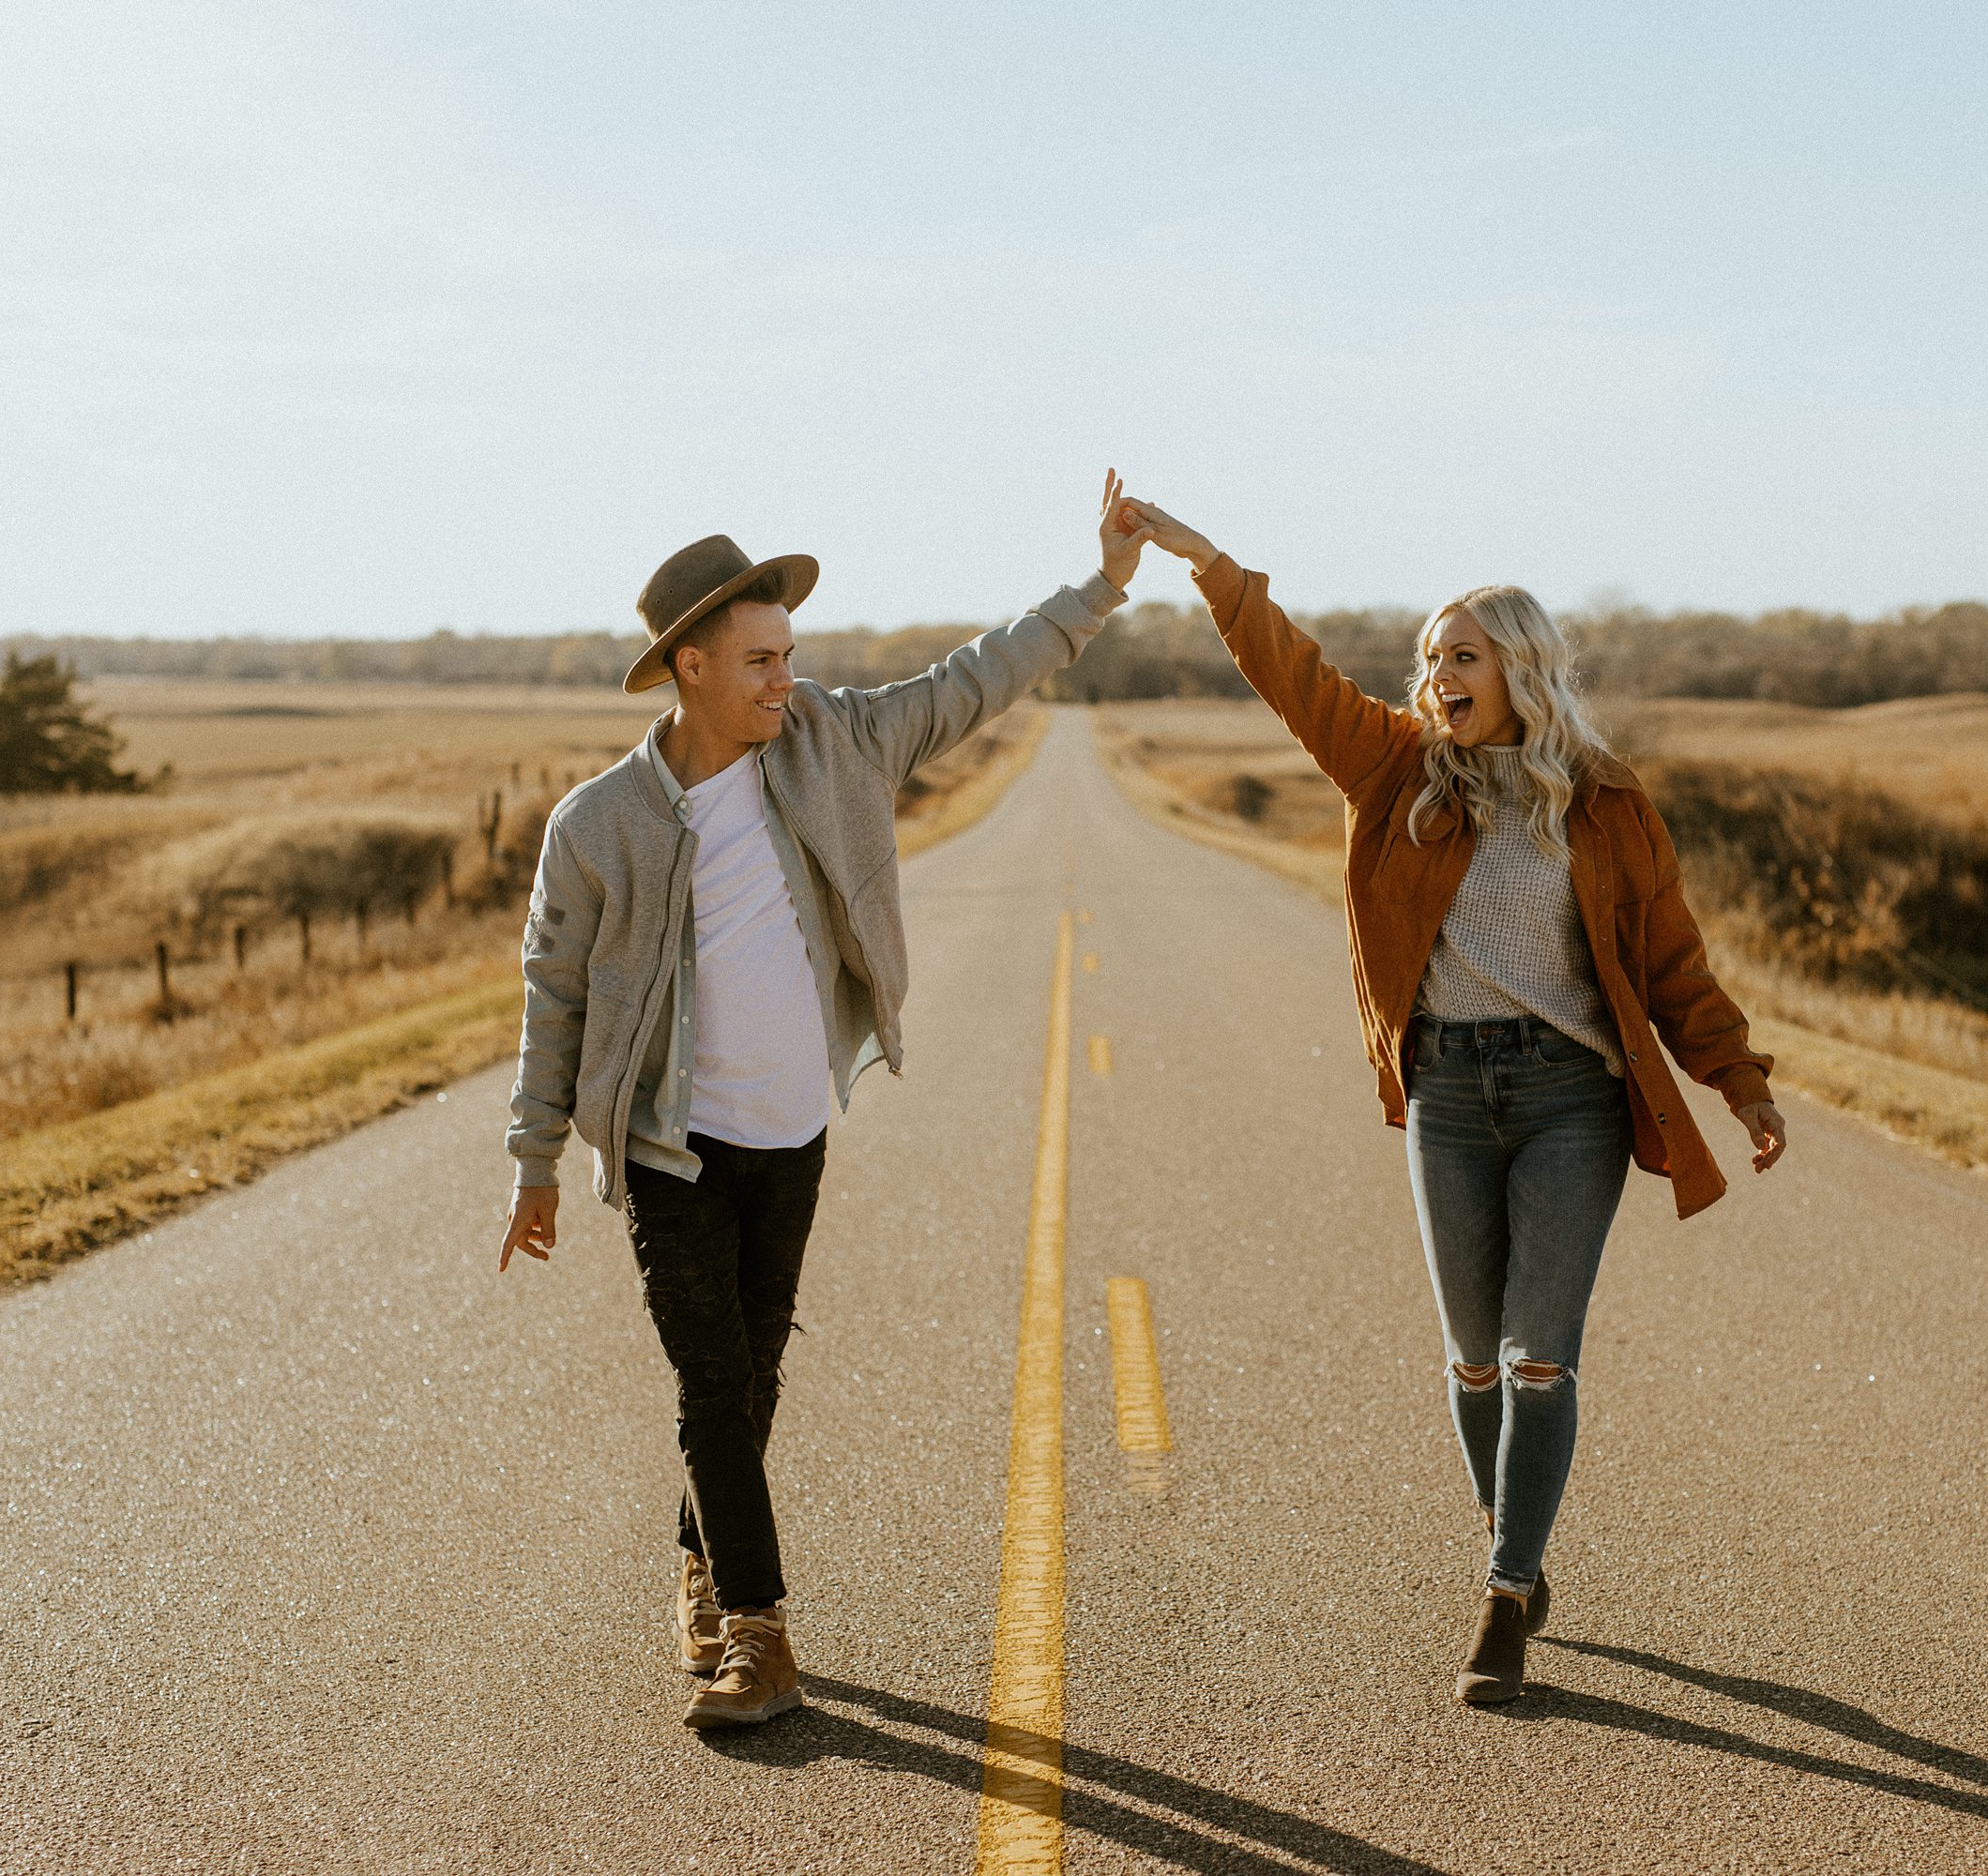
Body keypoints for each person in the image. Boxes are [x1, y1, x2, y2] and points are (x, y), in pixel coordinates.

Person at [497, 474, 1152, 1730]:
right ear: (688, 666)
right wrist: (534, 1160)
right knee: (708, 1385)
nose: (783, 680)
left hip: (791, 1130)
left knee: (745, 1387)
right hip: (667, 1146)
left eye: (789, 655)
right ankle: (758, 1633)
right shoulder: (600, 825)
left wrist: (1104, 587)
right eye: (758, 660)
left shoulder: (836, 742)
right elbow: (554, 995)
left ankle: (700, 1564)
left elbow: (978, 677)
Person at [1124, 496, 1788, 1705]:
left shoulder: (1603, 805)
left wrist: (1738, 1085)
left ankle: (1505, 1589)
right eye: (1430, 658)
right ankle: (1514, 1540)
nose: (1439, 675)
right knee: (1474, 1358)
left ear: (1520, 668)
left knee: (1541, 1355)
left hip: (1568, 1098)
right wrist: (1199, 558)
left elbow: (1672, 965)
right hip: (1447, 1091)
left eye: (1462, 656)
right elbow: (1291, 671)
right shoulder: (1394, 773)